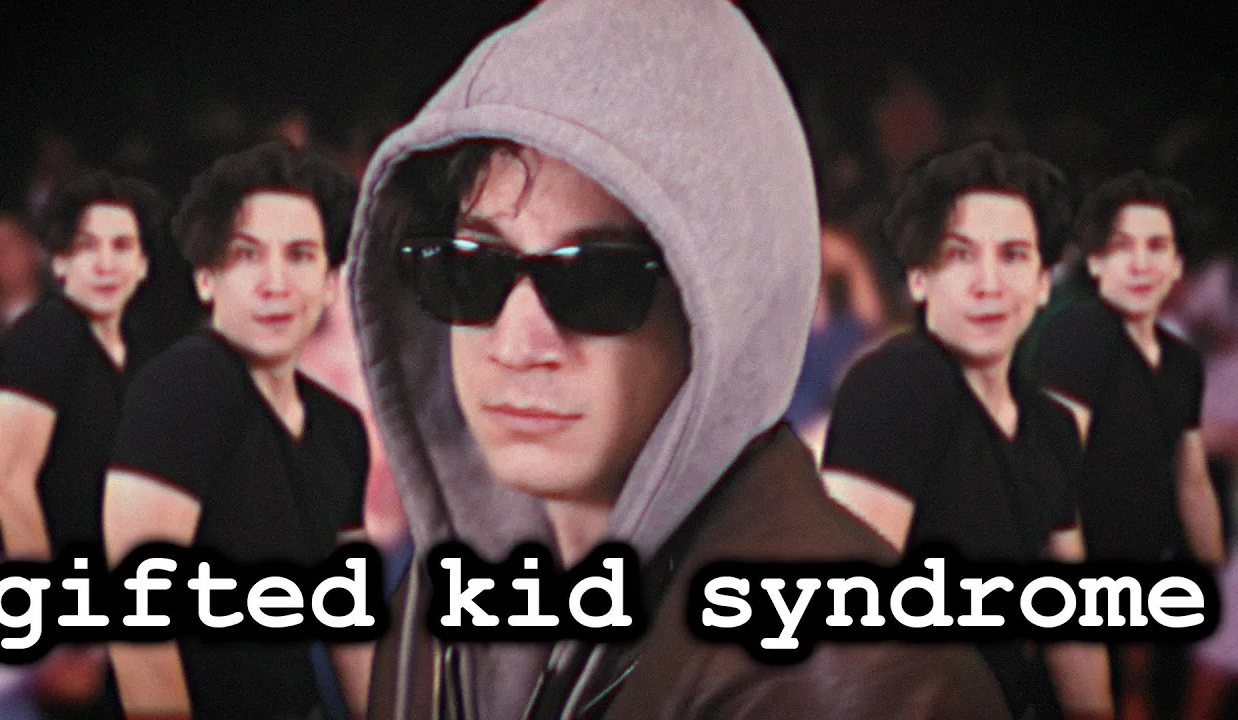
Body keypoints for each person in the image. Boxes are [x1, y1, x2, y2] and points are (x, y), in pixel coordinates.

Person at [347, 1, 1009, 718]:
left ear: (719, 309)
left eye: (597, 281)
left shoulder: (861, 677)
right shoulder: (437, 612)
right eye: (471, 267)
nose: (515, 344)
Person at [819, 141, 1113, 720]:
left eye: (1014, 256)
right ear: (919, 280)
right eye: (960, 256)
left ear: (1044, 282)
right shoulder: (898, 383)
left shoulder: (1051, 424)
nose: (989, 283)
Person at [101, 142, 373, 719]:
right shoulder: (187, 385)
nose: (276, 283)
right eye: (248, 256)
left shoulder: (339, 427)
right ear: (206, 279)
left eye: (300, 256)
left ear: (331, 282)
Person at [1032, 171, 1226, 720]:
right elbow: (1050, 468)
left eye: (1157, 247)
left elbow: (1190, 480)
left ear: (1178, 265)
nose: (1141, 263)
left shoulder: (1181, 361)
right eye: (1122, 247)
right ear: (1096, 263)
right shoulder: (1082, 332)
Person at [0, 170, 165, 720]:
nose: (106, 263)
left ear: (143, 264)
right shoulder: (46, 334)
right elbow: (14, 485)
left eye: (122, 246)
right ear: (59, 262)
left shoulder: (142, 352)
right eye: (87, 247)